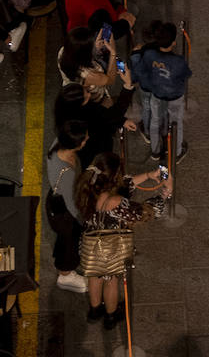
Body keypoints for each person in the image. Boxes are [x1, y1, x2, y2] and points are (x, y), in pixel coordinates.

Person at [76, 151, 170, 328]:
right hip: (110, 249)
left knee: (94, 277)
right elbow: (145, 213)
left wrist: (149, 175)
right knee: (111, 281)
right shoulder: (116, 201)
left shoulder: (86, 185)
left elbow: (126, 183)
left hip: (89, 245)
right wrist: (165, 195)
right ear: (114, 177)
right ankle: (111, 316)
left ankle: (95, 311)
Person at [131, 21, 191, 160]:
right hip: (175, 97)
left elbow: (140, 70)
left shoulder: (149, 55)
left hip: (157, 95)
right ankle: (176, 152)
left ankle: (155, 151)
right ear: (173, 43)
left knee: (155, 121)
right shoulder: (178, 61)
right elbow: (185, 75)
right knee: (176, 123)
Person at [46, 118, 89, 295]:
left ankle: (64, 267)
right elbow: (72, 206)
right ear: (76, 145)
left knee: (64, 241)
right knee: (69, 243)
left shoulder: (58, 143)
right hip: (65, 213)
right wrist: (84, 221)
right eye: (84, 139)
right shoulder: (66, 173)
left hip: (58, 201)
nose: (87, 139)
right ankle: (65, 275)